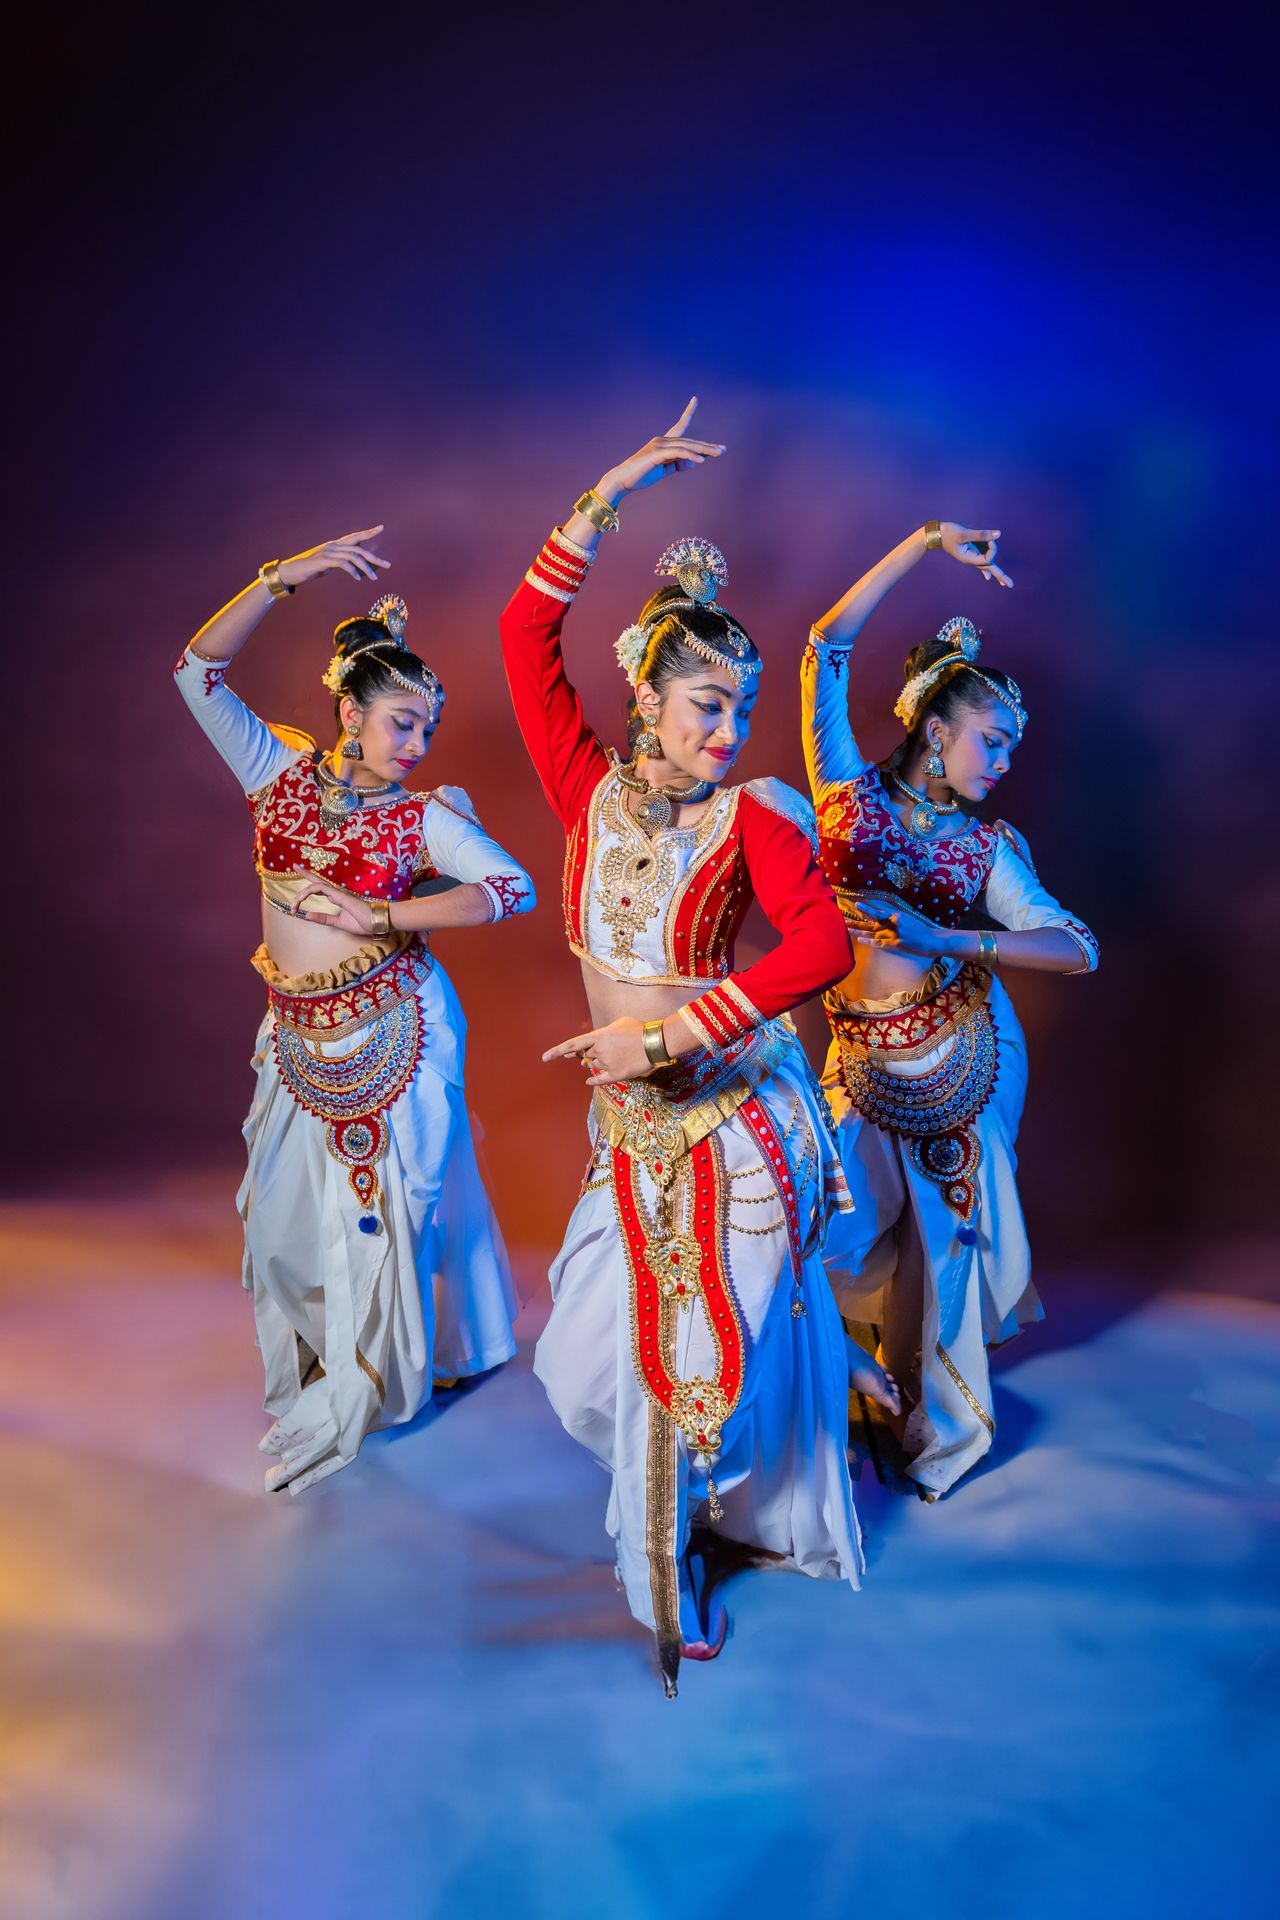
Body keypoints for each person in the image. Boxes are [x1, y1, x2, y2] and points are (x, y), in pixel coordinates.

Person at [500, 403, 894, 1696]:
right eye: (707, 706)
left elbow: (822, 949)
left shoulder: (756, 817)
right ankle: (710, 1504)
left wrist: (670, 1033)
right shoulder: (585, 793)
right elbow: (523, 634)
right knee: (592, 1366)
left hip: (730, 1121)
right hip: (633, 1131)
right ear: (648, 703)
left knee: (690, 1359)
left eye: (741, 708)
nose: (728, 731)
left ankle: (666, 1580)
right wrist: (607, 492)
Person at [175, 527, 534, 1494]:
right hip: (296, 1035)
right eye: (401, 723)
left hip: (398, 1030)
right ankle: (345, 1354)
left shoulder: (426, 815)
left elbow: (510, 889)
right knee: (285, 1229)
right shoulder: (273, 773)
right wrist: (277, 579)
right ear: (349, 711)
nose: (416, 745)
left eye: (427, 730)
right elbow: (196, 675)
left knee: (390, 1217)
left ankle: (379, 1384)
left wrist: (382, 910)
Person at [801, 519, 1098, 1497]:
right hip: (855, 1058)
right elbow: (823, 648)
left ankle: (936, 1439)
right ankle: (833, 1405)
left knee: (949, 1246)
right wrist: (922, 544)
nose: (1003, 761)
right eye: (991, 740)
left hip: (957, 1054)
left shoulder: (985, 849)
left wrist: (946, 940)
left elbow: (1072, 946)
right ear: (935, 728)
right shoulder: (840, 789)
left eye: (1010, 746)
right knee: (821, 1233)